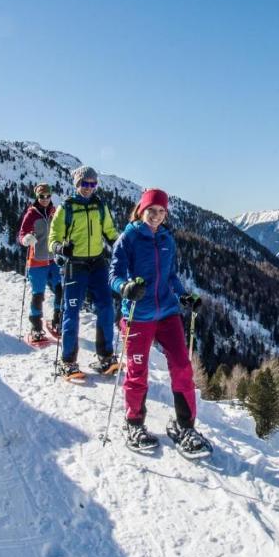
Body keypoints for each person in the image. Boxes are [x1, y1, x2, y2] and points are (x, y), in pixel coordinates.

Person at [109, 188, 211, 457]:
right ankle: (134, 424)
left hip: (167, 313)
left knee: (182, 366)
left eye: (161, 211)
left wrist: (184, 296)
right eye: (151, 210)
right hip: (137, 316)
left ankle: (185, 426)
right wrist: (126, 287)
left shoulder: (167, 238)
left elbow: (171, 276)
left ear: (166, 214)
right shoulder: (128, 238)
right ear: (141, 210)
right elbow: (114, 275)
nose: (155, 216)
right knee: (137, 372)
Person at [49, 166, 120, 378]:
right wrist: (61, 248)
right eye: (84, 183)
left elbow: (110, 232)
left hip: (97, 263)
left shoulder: (100, 206)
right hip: (75, 265)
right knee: (71, 312)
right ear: (76, 184)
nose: (88, 188)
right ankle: (68, 361)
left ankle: (106, 357)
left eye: (92, 184)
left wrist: (121, 246)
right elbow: (54, 238)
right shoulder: (66, 208)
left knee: (106, 307)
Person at [18, 182, 61, 343]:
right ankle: (36, 327)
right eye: (41, 196)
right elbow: (21, 234)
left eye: (47, 196)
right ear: (37, 196)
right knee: (38, 295)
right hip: (36, 262)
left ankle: (57, 321)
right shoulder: (31, 214)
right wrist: (25, 239)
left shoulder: (54, 212)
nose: (45, 199)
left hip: (54, 260)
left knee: (60, 289)